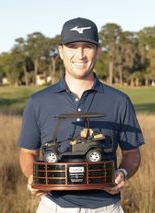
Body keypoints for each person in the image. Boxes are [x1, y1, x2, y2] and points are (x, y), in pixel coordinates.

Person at [18, 17, 145, 213]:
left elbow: (132, 153)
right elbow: (28, 153)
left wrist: (123, 172)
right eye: (72, 46)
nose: (80, 54)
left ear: (98, 51)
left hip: (106, 207)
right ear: (61, 51)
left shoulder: (119, 100)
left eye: (87, 46)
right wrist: (32, 175)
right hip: (54, 206)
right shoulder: (38, 102)